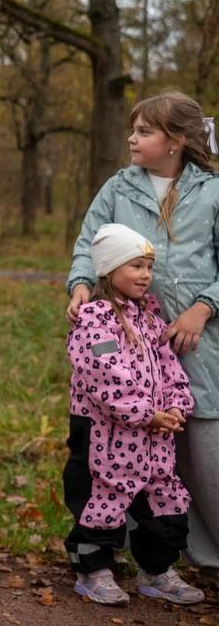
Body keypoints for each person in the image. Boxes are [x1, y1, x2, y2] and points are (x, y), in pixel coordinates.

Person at [66, 91, 219, 576]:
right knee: (132, 441)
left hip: (200, 341)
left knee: (202, 452)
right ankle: (144, 554)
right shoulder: (118, 188)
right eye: (133, 130)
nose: (132, 138)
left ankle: (209, 554)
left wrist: (203, 307)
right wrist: (81, 284)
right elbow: (90, 243)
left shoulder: (213, 191)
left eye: (144, 131)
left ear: (175, 141)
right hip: (130, 339)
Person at [64, 223, 203, 606]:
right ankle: (95, 571)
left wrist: (176, 405)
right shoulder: (95, 320)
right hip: (105, 439)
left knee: (164, 499)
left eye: (149, 267)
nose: (146, 276)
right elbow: (104, 376)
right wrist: (147, 414)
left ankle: (156, 571)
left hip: (153, 439)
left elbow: (171, 367)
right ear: (110, 269)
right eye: (136, 266)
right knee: (102, 497)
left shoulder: (151, 321)